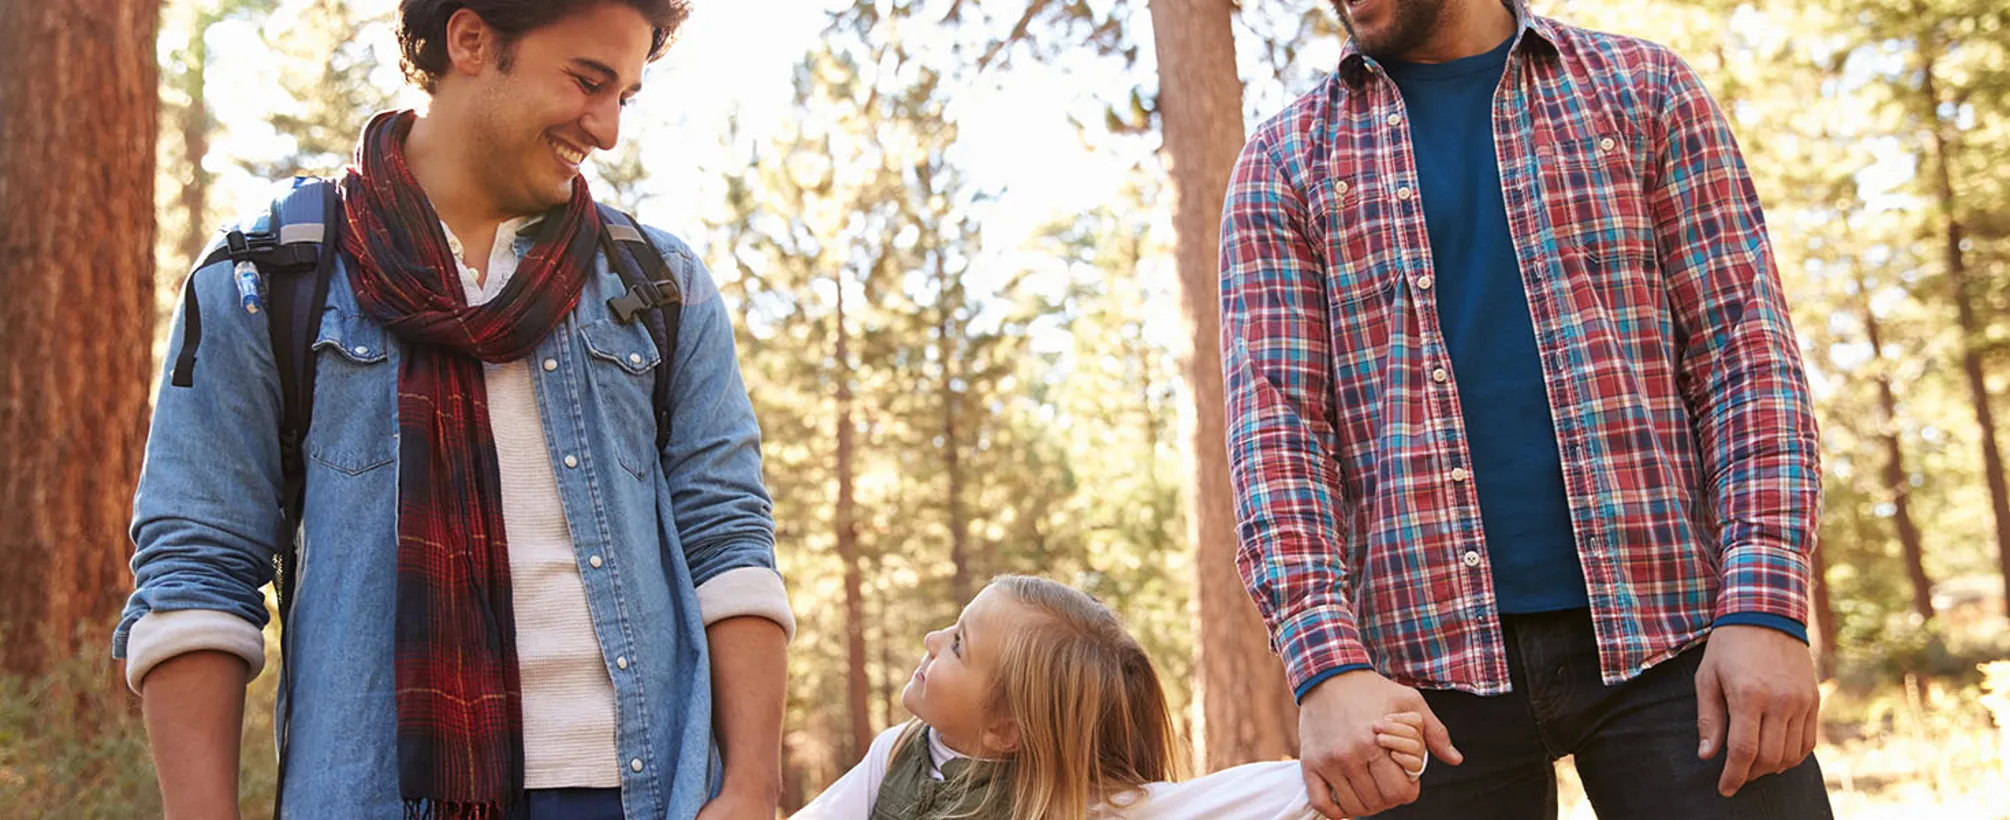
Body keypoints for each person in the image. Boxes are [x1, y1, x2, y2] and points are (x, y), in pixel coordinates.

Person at [112, 2, 791, 818]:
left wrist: (751, 787)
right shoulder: (263, 282)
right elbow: (196, 574)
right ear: (471, 40)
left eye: (626, 97)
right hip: (370, 795)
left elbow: (729, 536)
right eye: (588, 81)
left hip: (646, 796)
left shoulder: (658, 283)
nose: (607, 129)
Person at [1218, 0, 1833, 818]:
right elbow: (1276, 432)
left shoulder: (1644, 89)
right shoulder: (1284, 160)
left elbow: (1743, 353)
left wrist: (1766, 601)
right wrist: (1325, 666)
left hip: (1685, 638)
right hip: (1415, 692)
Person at [792, 575, 1430, 819]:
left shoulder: (1085, 809)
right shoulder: (897, 754)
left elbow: (1251, 797)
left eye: (958, 645)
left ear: (1005, 731)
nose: (931, 641)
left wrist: (1386, 748)